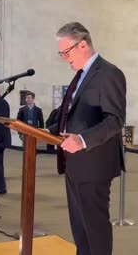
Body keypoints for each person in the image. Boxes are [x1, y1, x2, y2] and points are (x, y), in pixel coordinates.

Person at [47, 22, 126, 255]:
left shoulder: (109, 73)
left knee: (95, 228)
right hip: (74, 163)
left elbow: (115, 119)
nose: (64, 58)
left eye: (65, 52)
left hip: (94, 164)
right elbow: (70, 118)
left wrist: (82, 140)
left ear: (82, 45)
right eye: (60, 53)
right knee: (80, 228)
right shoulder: (81, 76)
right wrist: (39, 131)